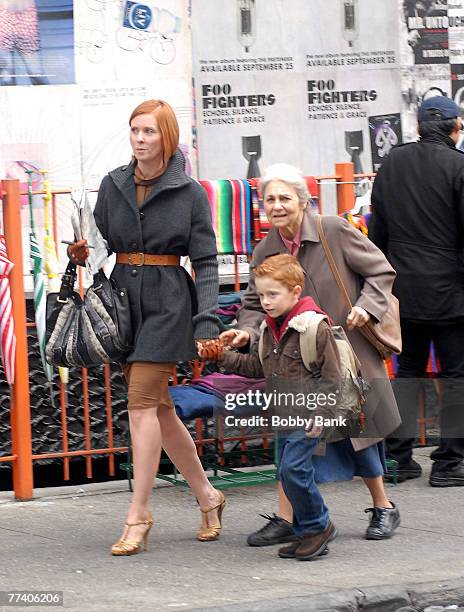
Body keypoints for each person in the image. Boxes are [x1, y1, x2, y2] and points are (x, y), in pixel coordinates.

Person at [68, 99, 225, 555]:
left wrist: (206, 322)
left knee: (140, 405)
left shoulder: (190, 192)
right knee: (159, 410)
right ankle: (208, 496)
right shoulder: (113, 184)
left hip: (170, 303)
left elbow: (207, 263)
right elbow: (99, 243)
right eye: (135, 130)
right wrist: (83, 253)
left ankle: (138, 514)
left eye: (149, 132)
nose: (139, 138)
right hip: (123, 303)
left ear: (167, 137)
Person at [220, 163, 402, 544]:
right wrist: (246, 330)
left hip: (345, 352)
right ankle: (288, 518)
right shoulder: (265, 250)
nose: (277, 205)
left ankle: (383, 506)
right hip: (294, 361)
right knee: (290, 438)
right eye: (270, 199)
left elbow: (381, 272)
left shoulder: (332, 229)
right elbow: (254, 304)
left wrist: (366, 307)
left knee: (360, 434)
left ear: (302, 201)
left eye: (285, 197)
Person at [203, 253, 341, 559]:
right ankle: (309, 531)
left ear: (295, 292)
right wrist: (220, 356)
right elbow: (257, 367)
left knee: (294, 470)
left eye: (272, 294)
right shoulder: (269, 329)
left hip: (309, 416)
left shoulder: (315, 327)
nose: (265, 301)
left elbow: (333, 377)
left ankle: (319, 526)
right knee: (288, 473)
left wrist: (322, 413)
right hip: (284, 413)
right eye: (261, 294)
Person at [369, 95, 464, 487]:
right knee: (456, 374)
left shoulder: (391, 163)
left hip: (402, 286)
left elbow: (378, 228)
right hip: (449, 288)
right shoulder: (458, 166)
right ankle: (449, 463)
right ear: (453, 128)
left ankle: (398, 459)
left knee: (406, 371)